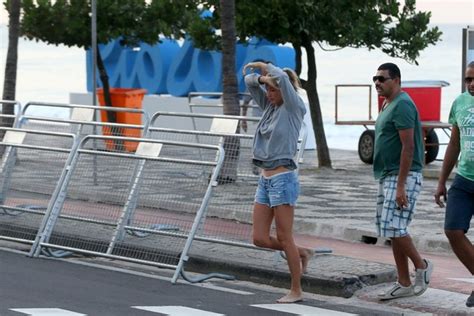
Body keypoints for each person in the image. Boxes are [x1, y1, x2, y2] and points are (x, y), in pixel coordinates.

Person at [242, 61, 313, 303]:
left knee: (285, 237)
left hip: (283, 179)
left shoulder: (294, 107)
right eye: (269, 91)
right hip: (265, 179)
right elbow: (249, 82)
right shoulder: (270, 107)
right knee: (259, 238)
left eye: (273, 90)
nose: (269, 95)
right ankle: (302, 252)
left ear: (285, 90)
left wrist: (265, 66)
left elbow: (282, 78)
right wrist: (262, 80)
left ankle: (296, 289)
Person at [372, 62, 433, 300]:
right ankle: (404, 282)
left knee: (395, 227)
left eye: (382, 78)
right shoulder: (388, 103)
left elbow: (409, 147)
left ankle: (422, 266)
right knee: (391, 228)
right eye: (374, 78)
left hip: (402, 177)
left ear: (396, 80)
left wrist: (400, 186)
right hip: (387, 174)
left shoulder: (403, 105)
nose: (377, 82)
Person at [434, 61, 474, 308]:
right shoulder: (460, 103)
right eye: (468, 79)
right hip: (464, 179)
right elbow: (454, 144)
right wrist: (441, 181)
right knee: (452, 230)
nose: (470, 83)